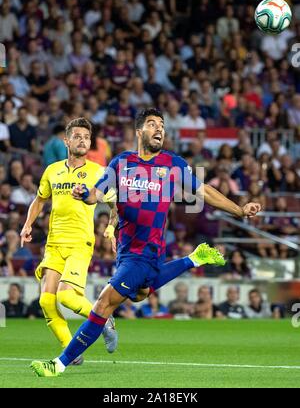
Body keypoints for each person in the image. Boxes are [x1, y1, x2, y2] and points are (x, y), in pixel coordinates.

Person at [30, 108, 261, 377]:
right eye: (152, 124)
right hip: (127, 250)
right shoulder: (121, 162)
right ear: (140, 132)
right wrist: (84, 195)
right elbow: (98, 193)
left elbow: (204, 190)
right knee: (140, 294)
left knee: (103, 304)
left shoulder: (172, 164)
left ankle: (58, 364)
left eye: (161, 124)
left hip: (146, 251)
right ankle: (194, 258)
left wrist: (240, 210)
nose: (159, 128)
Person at [20, 117, 118, 366]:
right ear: (67, 141)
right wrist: (27, 224)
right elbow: (40, 200)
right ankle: (70, 350)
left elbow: (114, 203)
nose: (83, 140)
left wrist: (110, 226)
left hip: (79, 242)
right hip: (54, 243)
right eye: (77, 136)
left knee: (66, 297)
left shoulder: (98, 172)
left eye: (86, 137)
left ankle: (104, 318)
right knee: (46, 300)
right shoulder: (52, 170)